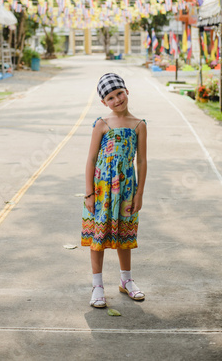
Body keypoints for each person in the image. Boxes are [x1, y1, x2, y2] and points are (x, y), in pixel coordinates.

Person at [81, 73, 147, 308]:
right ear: (104, 102)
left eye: (119, 93)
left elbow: (141, 162)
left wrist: (139, 193)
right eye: (110, 97)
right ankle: (97, 286)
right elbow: (90, 159)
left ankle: (126, 280)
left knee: (124, 236)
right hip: (101, 191)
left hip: (127, 190)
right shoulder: (102, 124)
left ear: (126, 91)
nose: (117, 99)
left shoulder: (139, 125)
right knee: (98, 237)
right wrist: (89, 194)